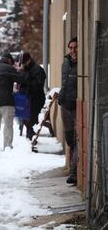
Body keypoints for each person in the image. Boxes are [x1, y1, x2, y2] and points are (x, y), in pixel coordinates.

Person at [0, 52, 22, 153]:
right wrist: (18, 70)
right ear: (10, 60)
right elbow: (20, 79)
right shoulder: (9, 68)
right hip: (6, 100)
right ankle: (7, 147)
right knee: (8, 125)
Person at [58, 37, 78, 185]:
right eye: (70, 48)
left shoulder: (81, 63)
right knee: (69, 139)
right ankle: (73, 168)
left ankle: (74, 172)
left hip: (76, 106)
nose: (73, 51)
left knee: (77, 140)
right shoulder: (65, 63)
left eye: (75, 47)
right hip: (65, 105)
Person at [19, 52, 47, 140]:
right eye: (22, 63)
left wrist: (25, 81)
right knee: (26, 120)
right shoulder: (25, 69)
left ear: (29, 60)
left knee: (32, 121)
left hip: (35, 99)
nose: (23, 65)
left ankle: (32, 138)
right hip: (26, 98)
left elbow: (38, 85)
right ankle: (29, 137)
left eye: (24, 62)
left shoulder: (38, 70)